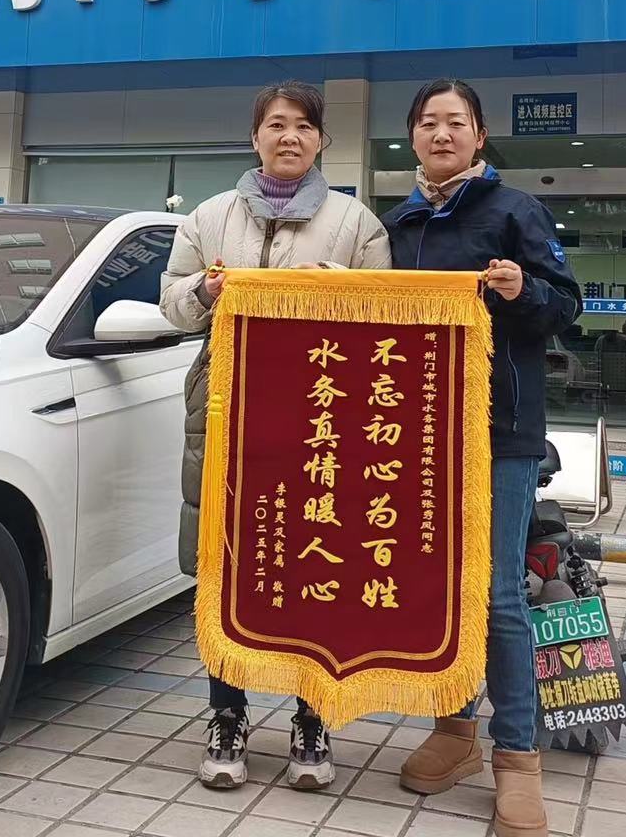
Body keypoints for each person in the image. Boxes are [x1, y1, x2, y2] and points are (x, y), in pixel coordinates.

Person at [159, 81, 391, 791]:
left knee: (314, 561)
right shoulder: (208, 216)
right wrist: (204, 291)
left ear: (321, 140)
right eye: (277, 125)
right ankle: (226, 716)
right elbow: (171, 304)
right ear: (255, 137)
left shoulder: (356, 222)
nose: (290, 137)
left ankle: (312, 719)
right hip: (225, 406)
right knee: (228, 562)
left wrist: (340, 286)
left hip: (322, 413)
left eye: (303, 127)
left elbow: (388, 312)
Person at [383, 79, 580, 837]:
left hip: (502, 432)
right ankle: (454, 728)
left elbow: (568, 306)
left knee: (498, 595)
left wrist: (524, 287)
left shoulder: (515, 210)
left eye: (455, 122)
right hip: (419, 436)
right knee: (440, 589)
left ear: (479, 134)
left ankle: (518, 758)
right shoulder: (399, 224)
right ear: (412, 136)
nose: (442, 134)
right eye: (428, 122)